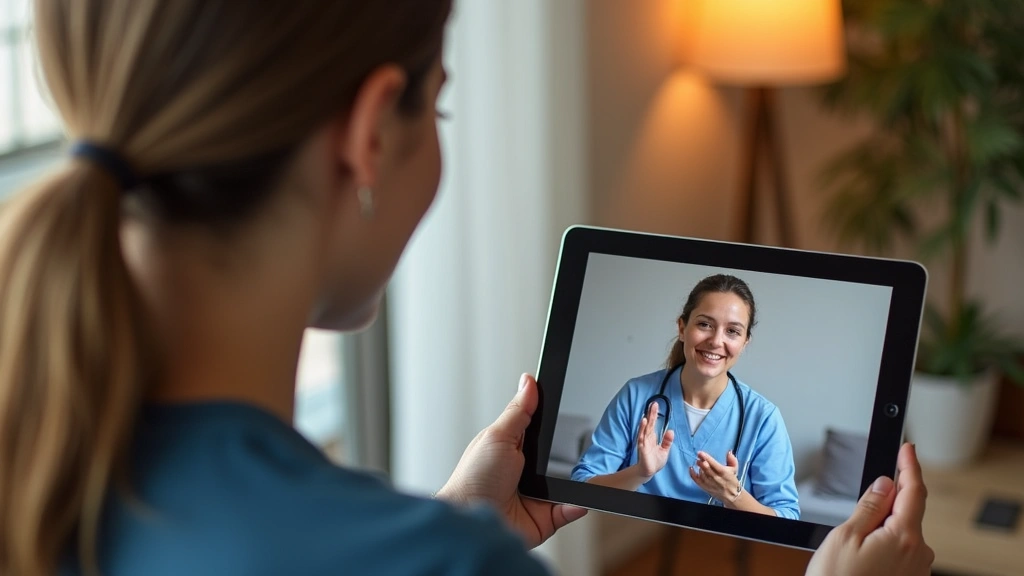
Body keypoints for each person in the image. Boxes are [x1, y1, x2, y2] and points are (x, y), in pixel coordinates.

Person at [0, 1, 933, 575]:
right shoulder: (449, 562)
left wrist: (455, 525)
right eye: (439, 105)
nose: (718, 342)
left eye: (735, 330)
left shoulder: (38, 464)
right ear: (371, 132)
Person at [572, 275, 799, 518]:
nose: (716, 341)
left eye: (732, 331)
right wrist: (640, 472)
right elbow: (581, 487)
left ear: (744, 343)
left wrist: (733, 495)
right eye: (705, 324)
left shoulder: (763, 418)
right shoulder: (636, 395)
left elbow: (787, 518)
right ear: (682, 328)